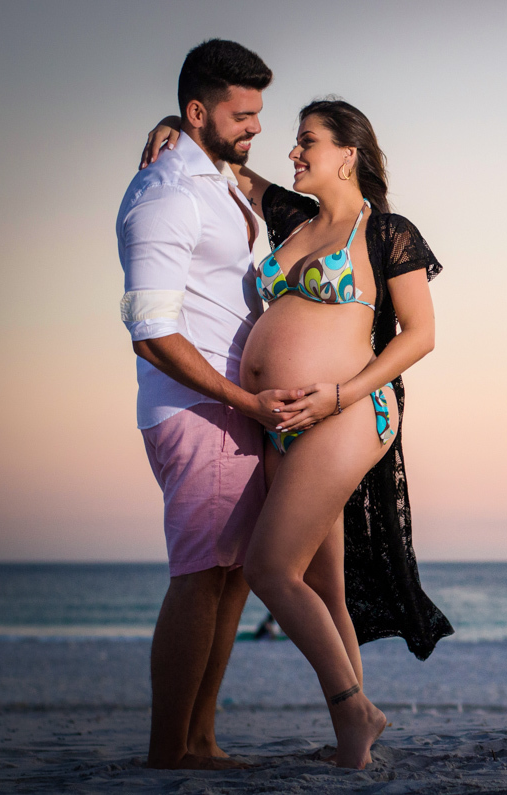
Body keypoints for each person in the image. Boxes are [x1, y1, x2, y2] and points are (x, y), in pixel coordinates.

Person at [142, 98, 453, 769]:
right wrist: (173, 128)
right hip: (283, 422)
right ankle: (355, 746)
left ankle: (353, 707)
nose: (292, 152)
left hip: (346, 411)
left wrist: (339, 393)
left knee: (266, 566)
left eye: (307, 141)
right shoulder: (291, 219)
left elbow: (421, 336)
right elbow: (223, 163)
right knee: (323, 584)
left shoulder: (388, 233)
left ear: (349, 152)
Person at [116, 39, 298, 770]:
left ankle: (200, 738)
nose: (257, 127)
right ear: (200, 111)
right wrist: (243, 398)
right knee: (200, 576)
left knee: (231, 574)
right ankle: (171, 749)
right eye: (243, 114)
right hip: (202, 410)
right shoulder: (168, 194)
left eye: (260, 112)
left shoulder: (215, 177)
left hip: (232, 410)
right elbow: (152, 331)